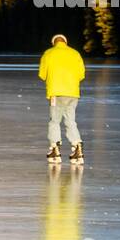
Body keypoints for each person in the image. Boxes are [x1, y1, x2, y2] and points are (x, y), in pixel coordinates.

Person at [39, 34, 86, 165]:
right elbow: (82, 74)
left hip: (56, 93)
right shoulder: (75, 53)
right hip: (72, 94)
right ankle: (77, 146)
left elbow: (42, 74)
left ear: (54, 42)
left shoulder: (48, 53)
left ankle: (55, 148)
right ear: (65, 42)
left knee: (54, 121)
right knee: (70, 120)